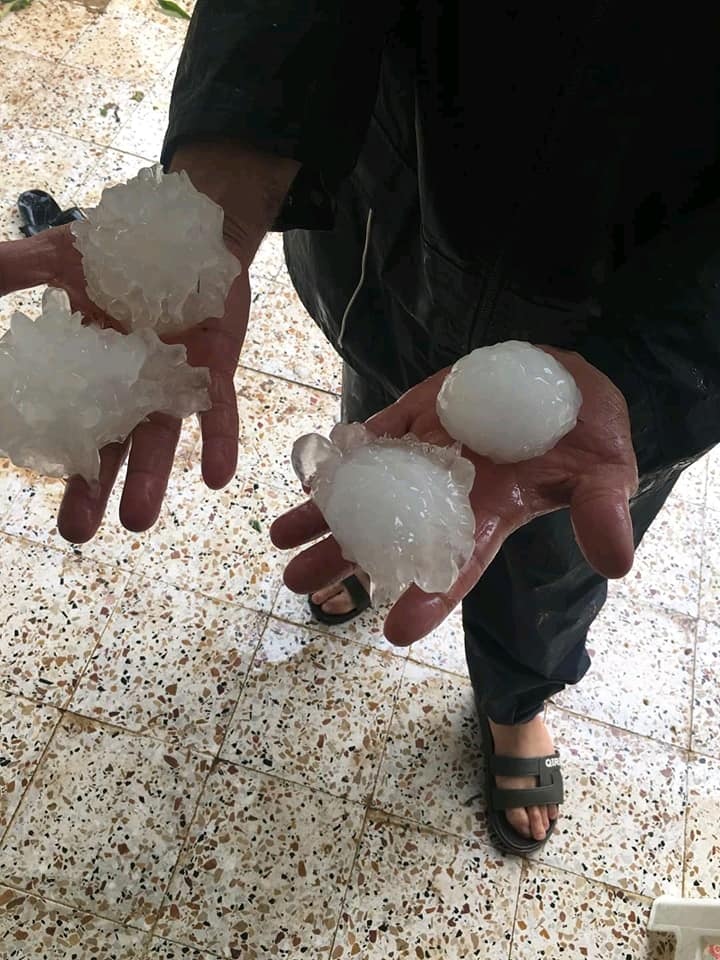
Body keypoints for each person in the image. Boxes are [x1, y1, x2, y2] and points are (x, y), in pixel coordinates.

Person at [1, 1, 718, 856]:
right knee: (380, 418)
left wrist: (659, 373)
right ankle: (372, 554)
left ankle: (515, 696)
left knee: (559, 553)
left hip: (634, 323)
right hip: (403, 222)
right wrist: (220, 176)